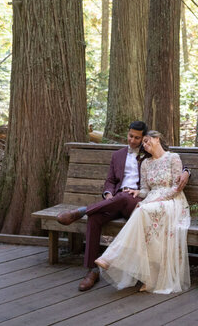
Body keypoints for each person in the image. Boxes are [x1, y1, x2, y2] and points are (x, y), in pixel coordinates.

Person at [56, 121, 190, 291]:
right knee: (95, 217)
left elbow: (168, 163)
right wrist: (108, 195)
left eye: (137, 138)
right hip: (115, 200)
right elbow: (110, 181)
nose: (133, 140)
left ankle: (82, 211)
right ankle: (92, 270)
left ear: (144, 139)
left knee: (126, 196)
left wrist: (187, 171)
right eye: (130, 136)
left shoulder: (147, 154)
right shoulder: (117, 155)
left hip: (135, 201)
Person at [94, 131, 190, 294]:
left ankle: (112, 255)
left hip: (172, 201)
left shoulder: (173, 158)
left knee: (143, 210)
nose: (145, 145)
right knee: (141, 211)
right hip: (151, 200)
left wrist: (156, 200)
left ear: (157, 139)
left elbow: (176, 188)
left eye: (147, 141)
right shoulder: (146, 163)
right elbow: (146, 189)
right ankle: (149, 276)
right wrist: (137, 193)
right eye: (143, 144)